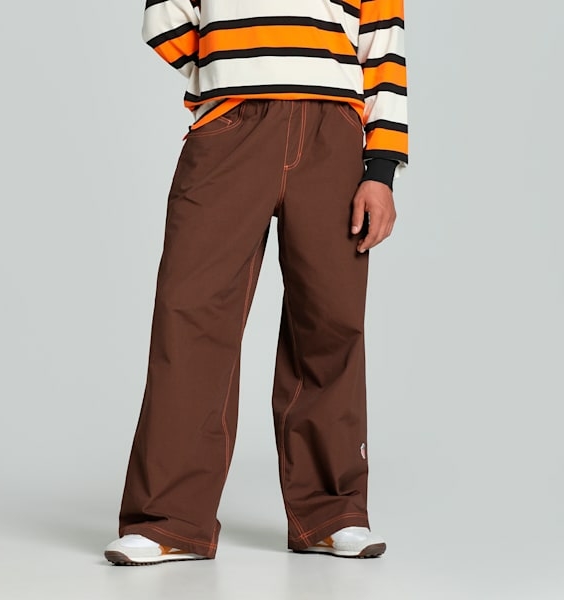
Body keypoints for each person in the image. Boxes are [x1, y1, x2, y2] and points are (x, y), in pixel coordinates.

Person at [104, 0, 408, 565]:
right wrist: (227, 66)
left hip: (334, 130)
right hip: (231, 124)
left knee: (331, 319)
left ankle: (332, 513)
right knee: (190, 312)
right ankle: (169, 519)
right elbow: (164, 12)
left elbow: (384, 48)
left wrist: (382, 170)